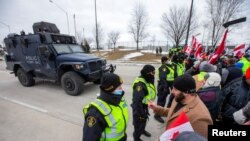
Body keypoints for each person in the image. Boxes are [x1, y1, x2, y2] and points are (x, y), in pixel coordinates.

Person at [149, 74, 213, 138]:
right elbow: (173, 114)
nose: (172, 92)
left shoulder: (201, 118)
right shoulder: (178, 98)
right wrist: (157, 108)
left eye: (175, 89)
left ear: (186, 92)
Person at [82, 73, 128, 141]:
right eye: (119, 87)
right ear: (110, 89)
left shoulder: (119, 99)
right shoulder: (95, 113)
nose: (121, 89)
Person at [131, 64, 156, 141]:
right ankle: (136, 137)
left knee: (143, 121)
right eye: (153, 73)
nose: (154, 75)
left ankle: (142, 130)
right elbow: (137, 101)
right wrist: (140, 114)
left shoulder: (147, 79)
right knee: (138, 124)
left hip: (144, 106)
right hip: (139, 108)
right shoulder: (140, 85)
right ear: (147, 73)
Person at [154, 56, 176, 123]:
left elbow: (173, 76)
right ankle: (157, 115)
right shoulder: (163, 67)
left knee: (168, 99)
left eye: (168, 60)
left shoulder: (169, 66)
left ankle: (164, 112)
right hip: (163, 86)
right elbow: (162, 78)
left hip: (169, 85)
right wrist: (165, 88)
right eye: (166, 60)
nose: (168, 61)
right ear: (163, 61)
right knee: (161, 100)